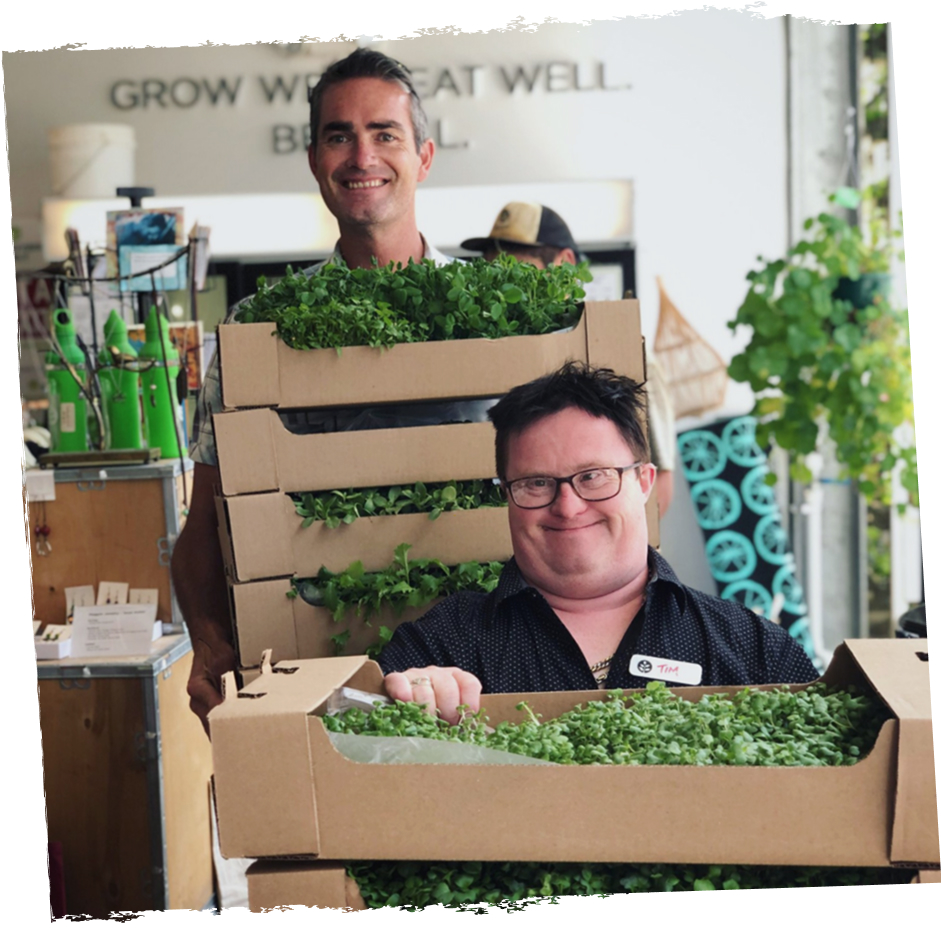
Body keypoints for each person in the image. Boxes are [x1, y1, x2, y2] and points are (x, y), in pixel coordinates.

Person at [173, 47, 453, 736]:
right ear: (313, 161)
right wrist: (211, 645)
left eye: (384, 133)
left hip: (467, 669)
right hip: (313, 670)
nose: (361, 155)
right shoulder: (255, 332)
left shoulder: (501, 323)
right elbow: (207, 520)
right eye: (339, 136)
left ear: (423, 157)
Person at [381, 362, 819, 723]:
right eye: (536, 483)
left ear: (644, 481)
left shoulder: (755, 651)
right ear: (507, 497)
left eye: (593, 477)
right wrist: (403, 704)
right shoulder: (442, 645)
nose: (568, 507)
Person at [461, 202, 676, 514]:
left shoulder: (623, 347)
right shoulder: (484, 351)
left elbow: (661, 479)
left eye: (515, 270)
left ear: (565, 263)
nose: (499, 287)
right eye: (492, 270)